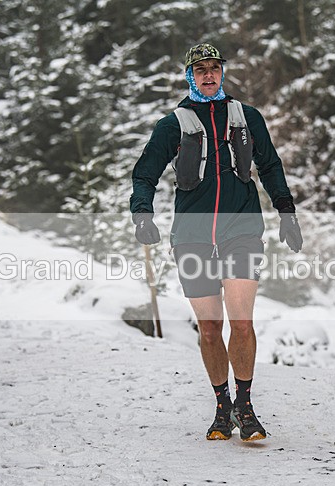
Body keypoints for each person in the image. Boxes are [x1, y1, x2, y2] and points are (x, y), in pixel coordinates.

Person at [129, 43, 303, 441]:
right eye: (200, 69)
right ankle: (222, 407)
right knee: (210, 328)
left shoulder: (246, 117)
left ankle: (245, 404)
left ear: (222, 71)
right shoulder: (172, 124)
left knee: (241, 322)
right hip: (191, 236)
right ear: (189, 75)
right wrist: (142, 213)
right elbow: (145, 174)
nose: (209, 74)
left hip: (241, 229)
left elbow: (270, 165)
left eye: (215, 67)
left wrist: (286, 212)